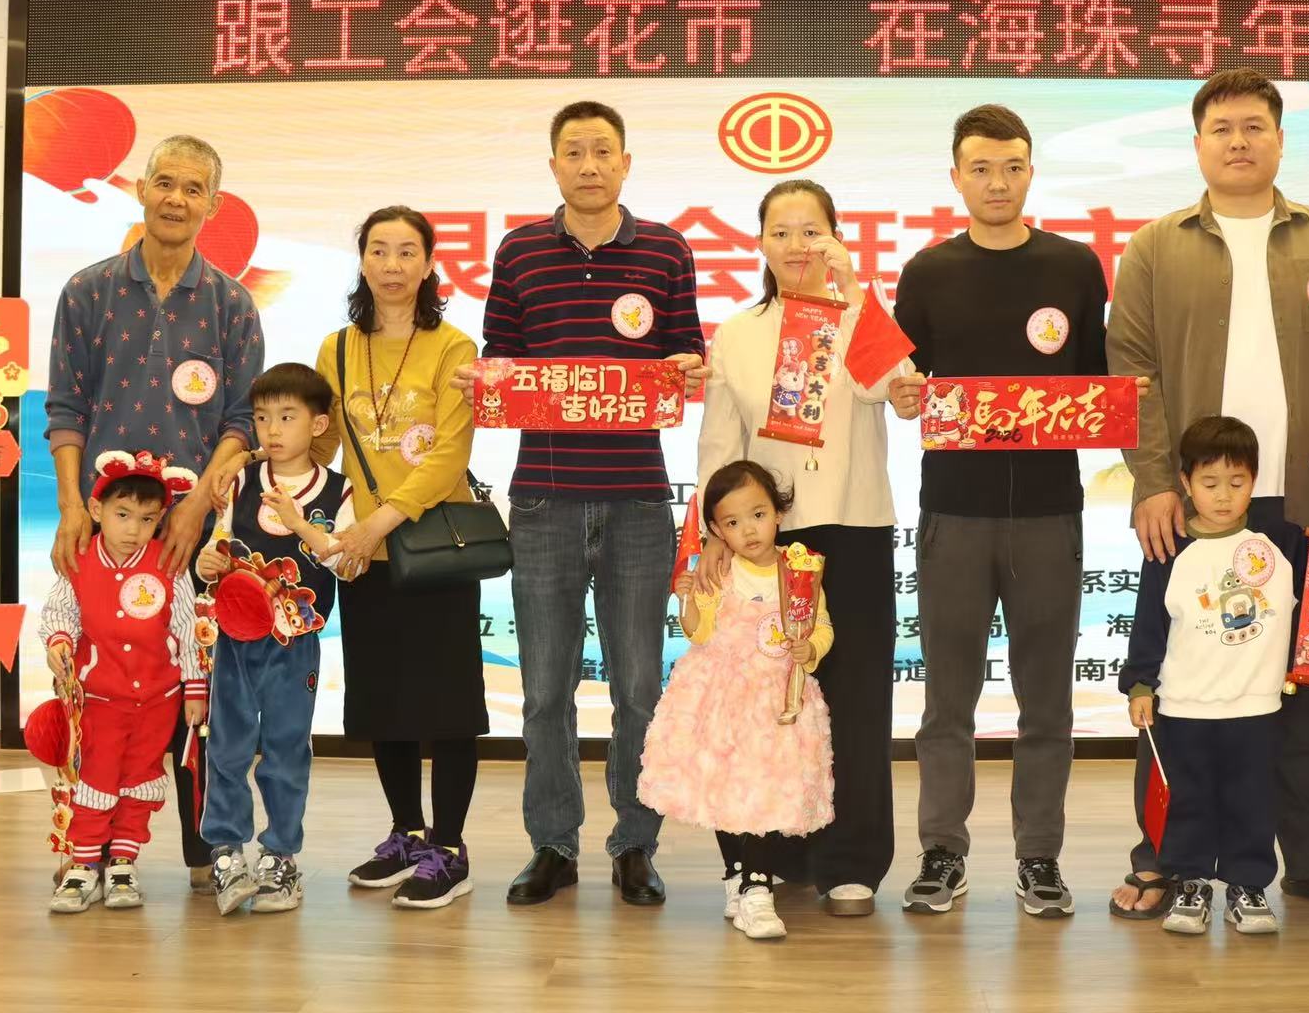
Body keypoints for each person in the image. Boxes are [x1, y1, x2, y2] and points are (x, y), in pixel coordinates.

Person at [1105, 68, 1309, 919]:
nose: (1239, 141)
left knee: (1301, 691)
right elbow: (1132, 373)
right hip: (1194, 510)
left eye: (1255, 126)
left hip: (1308, 505)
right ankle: (1163, 860)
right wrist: (1154, 481)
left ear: (1279, 138)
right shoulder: (1156, 247)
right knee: (1176, 690)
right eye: (1223, 127)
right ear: (1198, 143)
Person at [457, 102, 709, 908]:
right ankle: (553, 845)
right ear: (554, 165)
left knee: (638, 690)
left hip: (638, 498)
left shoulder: (666, 248)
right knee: (544, 691)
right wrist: (486, 381)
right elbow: (502, 358)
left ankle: (636, 844)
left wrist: (689, 368)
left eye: (604, 151)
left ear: (626, 163)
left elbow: (686, 350)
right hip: (544, 499)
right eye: (574, 151)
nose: (590, 164)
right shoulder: (519, 250)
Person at [890, 104, 1108, 918]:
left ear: (1030, 173)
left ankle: (1039, 858)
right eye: (980, 168)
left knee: (1047, 703)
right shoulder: (927, 272)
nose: (997, 183)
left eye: (1012, 167)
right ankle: (941, 852)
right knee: (947, 703)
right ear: (956, 177)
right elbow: (904, 384)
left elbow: (1096, 384)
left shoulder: (1075, 267)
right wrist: (903, 395)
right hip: (954, 511)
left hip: (1050, 512)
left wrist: (1118, 406)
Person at [45, 133, 262, 894]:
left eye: (193, 188)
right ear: (140, 188)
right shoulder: (88, 290)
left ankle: (205, 853)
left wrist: (197, 505)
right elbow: (66, 408)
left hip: (191, 535)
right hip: (104, 531)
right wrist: (71, 507)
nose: (176, 198)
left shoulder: (232, 303)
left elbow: (242, 421)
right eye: (165, 182)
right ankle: (88, 851)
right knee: (100, 686)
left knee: (194, 686)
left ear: (214, 204)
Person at [694, 178, 915, 916]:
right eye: (781, 232)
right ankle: (777, 850)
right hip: (768, 541)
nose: (797, 245)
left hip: (853, 526)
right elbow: (719, 444)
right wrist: (712, 534)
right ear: (759, 243)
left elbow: (895, 387)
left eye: (812, 231)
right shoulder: (738, 333)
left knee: (856, 698)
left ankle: (852, 862)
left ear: (836, 238)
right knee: (771, 700)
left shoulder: (859, 315)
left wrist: (854, 294)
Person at [306, 207, 490, 909]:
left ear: (429, 263)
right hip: (363, 557)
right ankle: (406, 833)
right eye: (378, 250)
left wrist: (377, 522)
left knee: (448, 705)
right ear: (362, 261)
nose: (391, 264)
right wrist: (276, 462)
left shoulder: (453, 346)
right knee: (383, 701)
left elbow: (449, 455)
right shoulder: (336, 348)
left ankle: (450, 847)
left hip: (435, 547)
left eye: (407, 251)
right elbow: (324, 442)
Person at [1119, 417, 1302, 936]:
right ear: (1185, 482)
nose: (1224, 496)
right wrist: (1140, 686)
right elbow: (1148, 624)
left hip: (1256, 707)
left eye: (1237, 482)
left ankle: (1248, 886)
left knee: (1252, 802)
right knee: (1189, 800)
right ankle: (1190, 883)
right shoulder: (1169, 550)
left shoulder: (1280, 543)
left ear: (1255, 480)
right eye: (1210, 482)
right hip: (1184, 708)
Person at [639, 461, 837, 940]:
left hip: (778, 701)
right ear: (716, 530)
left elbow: (823, 625)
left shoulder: (800, 568)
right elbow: (698, 632)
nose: (748, 530)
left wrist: (810, 648)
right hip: (725, 699)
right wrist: (688, 598)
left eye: (758, 515)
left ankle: (757, 887)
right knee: (727, 790)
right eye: (732, 522)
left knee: (765, 789)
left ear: (779, 513)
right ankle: (739, 878)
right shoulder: (720, 570)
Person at [196, 362, 361, 916]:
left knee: (287, 748)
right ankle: (225, 852)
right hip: (234, 639)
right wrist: (209, 560)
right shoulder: (239, 481)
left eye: (287, 417)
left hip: (296, 646)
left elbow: (345, 564)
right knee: (227, 745)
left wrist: (300, 522)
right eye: (263, 417)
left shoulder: (338, 490)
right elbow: (216, 549)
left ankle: (280, 857)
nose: (272, 429)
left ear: (318, 425)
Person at [40, 451, 206, 913]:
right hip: (99, 699)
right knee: (94, 777)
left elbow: (188, 629)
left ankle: (123, 863)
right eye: (123, 514)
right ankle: (84, 864)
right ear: (97, 511)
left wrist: (194, 689)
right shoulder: (77, 560)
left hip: (158, 700)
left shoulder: (168, 563)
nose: (134, 528)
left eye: (148, 519)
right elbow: (59, 613)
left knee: (140, 779)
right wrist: (58, 644)